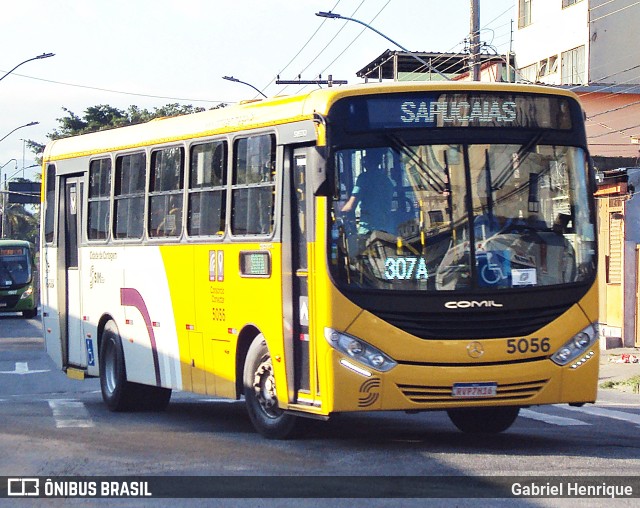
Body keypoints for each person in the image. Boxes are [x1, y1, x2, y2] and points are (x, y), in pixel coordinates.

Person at [341, 150, 395, 235]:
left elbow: (351, 205)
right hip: (387, 228)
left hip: (369, 229)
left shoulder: (363, 178)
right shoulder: (386, 180)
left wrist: (340, 213)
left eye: (365, 159)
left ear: (367, 162)